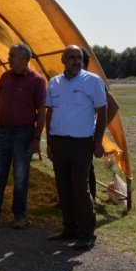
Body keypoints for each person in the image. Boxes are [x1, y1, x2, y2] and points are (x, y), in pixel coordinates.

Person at [0, 43, 47, 229]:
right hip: (3, 132)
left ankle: (19, 216)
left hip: (24, 134)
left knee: (21, 176)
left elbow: (42, 112)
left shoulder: (36, 81)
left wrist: (36, 138)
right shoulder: (5, 77)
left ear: (24, 58)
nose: (8, 58)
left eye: (12, 55)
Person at [45, 45, 108, 250]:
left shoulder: (92, 81)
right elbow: (49, 113)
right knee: (63, 186)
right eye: (71, 57)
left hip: (82, 143)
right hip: (59, 141)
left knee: (80, 188)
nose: (75, 61)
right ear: (63, 60)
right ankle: (69, 228)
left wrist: (98, 142)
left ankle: (86, 233)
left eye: (78, 57)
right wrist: (50, 141)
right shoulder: (54, 82)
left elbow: (103, 111)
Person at [81, 52, 120, 203]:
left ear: (84, 63)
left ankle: (89, 202)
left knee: (86, 170)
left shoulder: (93, 82)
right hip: (69, 136)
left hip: (85, 136)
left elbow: (113, 106)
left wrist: (98, 128)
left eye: (77, 59)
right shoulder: (65, 81)